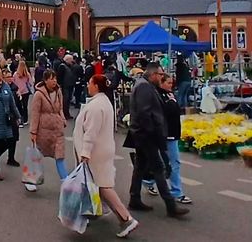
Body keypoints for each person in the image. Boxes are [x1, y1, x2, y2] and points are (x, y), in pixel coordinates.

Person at [73, 74, 139, 238]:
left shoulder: (96, 106)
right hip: (102, 149)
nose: (88, 86)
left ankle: (126, 218)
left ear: (96, 85)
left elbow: (91, 132)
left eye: (90, 83)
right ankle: (93, 212)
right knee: (97, 184)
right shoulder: (103, 102)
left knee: (103, 186)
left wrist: (85, 153)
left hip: (96, 152)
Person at [128, 62, 189, 217]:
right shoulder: (144, 87)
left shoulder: (145, 85)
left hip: (142, 133)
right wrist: (153, 133)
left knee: (140, 167)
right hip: (146, 135)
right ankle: (170, 206)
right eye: (161, 75)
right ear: (153, 74)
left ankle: (134, 198)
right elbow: (144, 113)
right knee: (159, 169)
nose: (162, 77)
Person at [142, 74, 192, 205]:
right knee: (174, 163)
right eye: (168, 83)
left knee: (163, 163)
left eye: (172, 83)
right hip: (166, 134)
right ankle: (176, 192)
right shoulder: (159, 96)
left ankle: (147, 181)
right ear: (161, 83)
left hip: (173, 133)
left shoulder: (170, 95)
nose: (171, 85)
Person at [28, 69, 68, 192]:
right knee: (37, 155)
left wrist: (62, 118)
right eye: (51, 79)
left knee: (59, 155)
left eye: (55, 78)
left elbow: (60, 107)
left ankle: (65, 181)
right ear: (45, 80)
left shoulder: (58, 91)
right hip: (43, 130)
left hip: (57, 129)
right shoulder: (39, 94)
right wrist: (33, 131)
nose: (54, 81)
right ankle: (30, 180)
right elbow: (35, 113)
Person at [2, 69, 21, 166]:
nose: (10, 79)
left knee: (13, 138)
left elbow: (16, 105)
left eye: (11, 77)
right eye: (8, 77)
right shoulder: (0, 88)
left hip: (12, 116)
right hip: (2, 117)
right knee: (2, 140)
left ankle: (11, 158)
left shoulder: (15, 87)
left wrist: (18, 117)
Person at [12, 60, 33, 126]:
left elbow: (13, 82)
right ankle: (25, 120)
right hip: (25, 92)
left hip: (18, 92)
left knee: (18, 106)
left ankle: (20, 119)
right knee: (25, 106)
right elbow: (31, 83)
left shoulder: (15, 74)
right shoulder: (27, 74)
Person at [57, 54, 76, 119]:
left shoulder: (69, 66)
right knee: (65, 100)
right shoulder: (62, 66)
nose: (72, 61)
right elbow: (59, 77)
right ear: (67, 60)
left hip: (69, 85)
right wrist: (60, 85)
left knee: (68, 100)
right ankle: (65, 114)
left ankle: (67, 113)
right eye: (71, 60)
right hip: (65, 86)